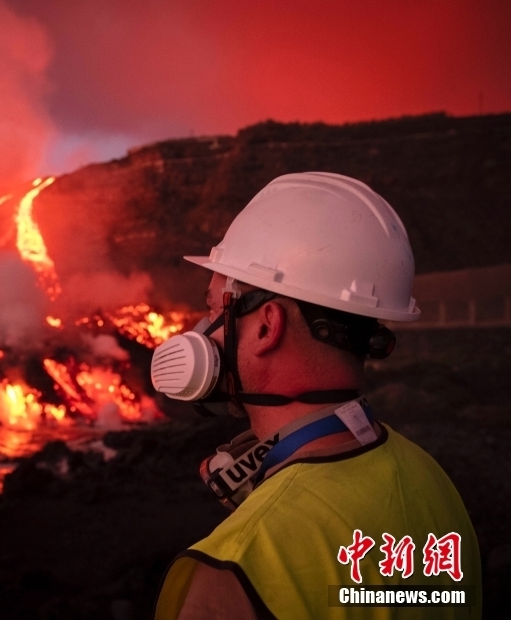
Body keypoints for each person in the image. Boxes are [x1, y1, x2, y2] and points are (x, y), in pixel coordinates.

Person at [150, 172, 481, 619]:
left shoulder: (233, 569)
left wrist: (273, 516)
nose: (202, 329)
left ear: (267, 326)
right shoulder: (433, 484)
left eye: (213, 309)